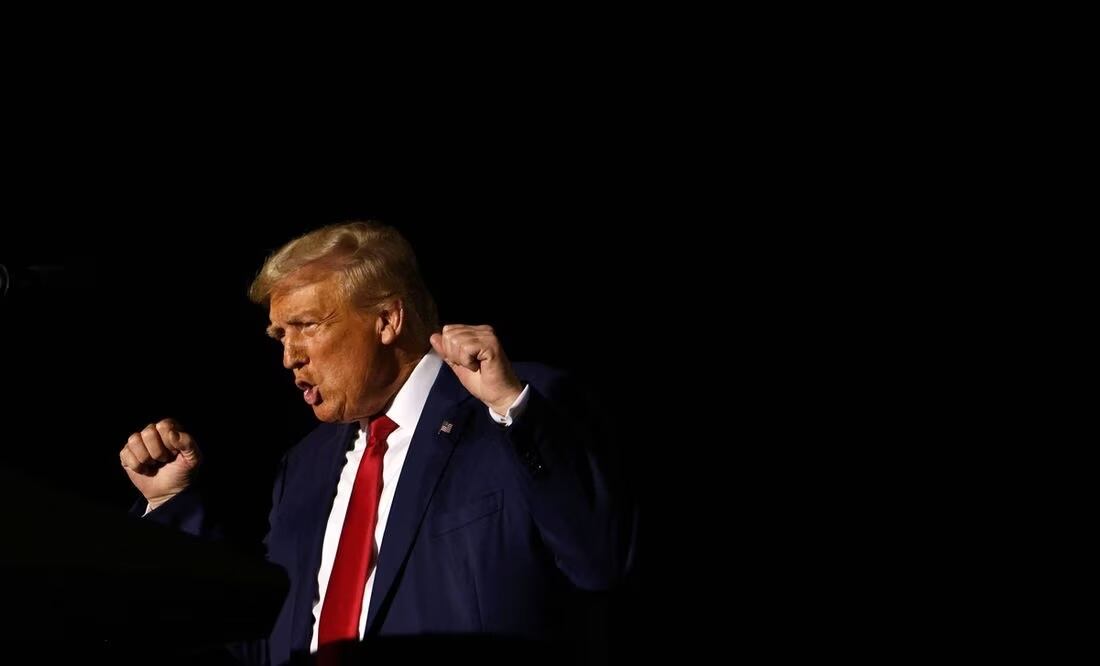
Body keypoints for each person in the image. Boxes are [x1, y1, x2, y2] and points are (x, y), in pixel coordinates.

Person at [118, 220, 636, 665]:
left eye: (305, 327)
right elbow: (259, 639)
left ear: (387, 320)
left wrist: (510, 408)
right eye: (280, 337)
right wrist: (171, 505)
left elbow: (599, 562)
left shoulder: (513, 409)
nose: (289, 357)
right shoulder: (303, 467)